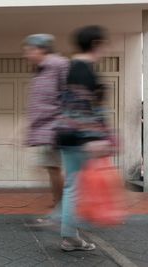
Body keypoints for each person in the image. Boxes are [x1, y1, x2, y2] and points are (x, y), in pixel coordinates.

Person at [57, 25, 110, 251]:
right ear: (95, 43)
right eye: (103, 44)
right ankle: (69, 234)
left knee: (73, 185)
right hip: (80, 138)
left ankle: (68, 231)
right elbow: (84, 108)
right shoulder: (84, 70)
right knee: (77, 187)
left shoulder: (72, 68)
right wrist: (96, 137)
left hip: (67, 135)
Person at [23, 34, 67, 207]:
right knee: (51, 168)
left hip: (56, 129)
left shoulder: (59, 65)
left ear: (40, 49)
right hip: (45, 130)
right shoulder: (40, 71)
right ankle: (60, 205)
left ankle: (62, 208)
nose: (26, 55)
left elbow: (69, 95)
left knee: (54, 169)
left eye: (28, 51)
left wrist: (62, 122)